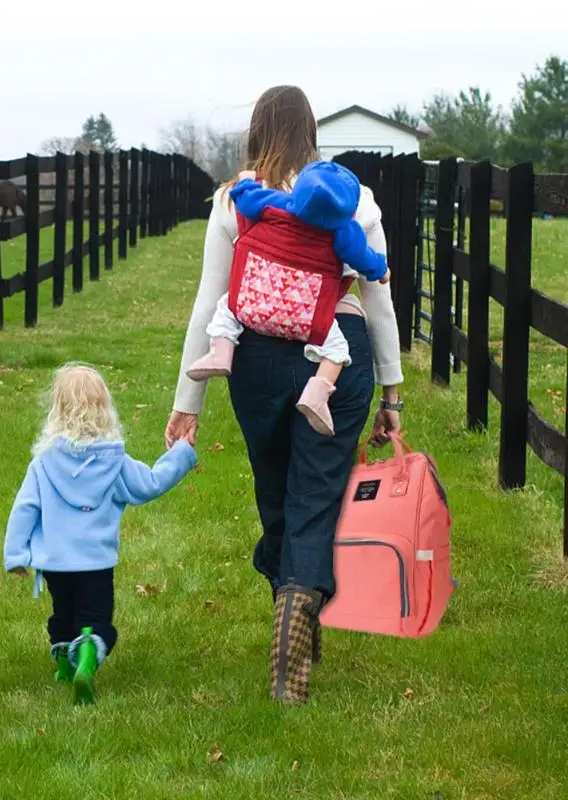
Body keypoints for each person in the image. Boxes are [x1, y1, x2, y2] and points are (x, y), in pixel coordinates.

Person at [165, 86, 404, 705]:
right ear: (311, 132)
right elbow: (378, 295)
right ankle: (300, 614)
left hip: (258, 359)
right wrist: (393, 391)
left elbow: (208, 300)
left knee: (276, 490)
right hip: (336, 354)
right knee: (317, 495)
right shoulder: (357, 197)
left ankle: (290, 608)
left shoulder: (235, 199)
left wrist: (185, 405)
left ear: (255, 132)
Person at [4, 364, 197, 704]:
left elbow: (25, 508)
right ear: (105, 409)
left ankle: (64, 664)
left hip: (56, 564)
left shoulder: (44, 463)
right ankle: (88, 658)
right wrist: (181, 452)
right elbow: (150, 483)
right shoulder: (115, 462)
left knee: (62, 612)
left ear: (58, 410)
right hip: (96, 562)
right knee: (95, 620)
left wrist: (17, 555)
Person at [185, 160, 391, 436]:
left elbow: (245, 199)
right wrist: (383, 270)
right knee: (338, 350)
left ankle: (221, 352)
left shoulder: (275, 205)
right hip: (309, 319)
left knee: (226, 306)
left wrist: (247, 178)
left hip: (253, 306)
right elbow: (364, 260)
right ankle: (316, 394)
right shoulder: (344, 232)